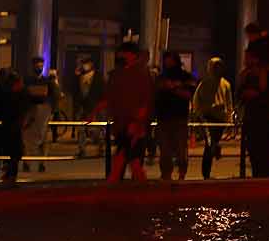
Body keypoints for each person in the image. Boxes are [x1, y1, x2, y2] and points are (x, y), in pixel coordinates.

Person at [93, 41, 153, 183]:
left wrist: (137, 122)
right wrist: (95, 110)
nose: (120, 56)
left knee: (127, 157)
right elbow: (110, 96)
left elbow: (145, 101)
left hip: (133, 124)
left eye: (123, 53)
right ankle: (126, 185)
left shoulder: (140, 75)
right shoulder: (120, 74)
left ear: (132, 55)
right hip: (123, 123)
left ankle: (114, 185)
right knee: (130, 159)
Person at [238, 45, 269, 178]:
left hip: (266, 124)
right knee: (256, 159)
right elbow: (240, 94)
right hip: (253, 123)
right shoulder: (246, 75)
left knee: (266, 160)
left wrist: (256, 94)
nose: (245, 60)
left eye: (248, 57)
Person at [154, 50, 195, 182]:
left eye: (170, 60)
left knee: (180, 149)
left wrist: (173, 88)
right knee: (164, 150)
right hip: (163, 117)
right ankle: (166, 174)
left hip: (179, 118)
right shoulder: (161, 77)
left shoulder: (185, 77)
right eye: (166, 60)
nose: (168, 62)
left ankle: (182, 174)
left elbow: (188, 95)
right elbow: (156, 94)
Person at [191, 57, 233, 179]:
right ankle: (206, 173)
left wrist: (229, 119)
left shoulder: (225, 84)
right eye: (215, 66)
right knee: (209, 144)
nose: (216, 69)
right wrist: (198, 114)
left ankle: (215, 149)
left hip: (220, 119)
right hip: (207, 118)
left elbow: (229, 102)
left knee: (211, 143)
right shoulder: (205, 83)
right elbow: (196, 100)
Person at [0, 68, 29, 183]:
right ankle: (4, 177)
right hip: (7, 127)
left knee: (7, 155)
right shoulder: (5, 91)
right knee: (5, 154)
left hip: (7, 127)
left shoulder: (9, 91)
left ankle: (3, 176)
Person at [20, 57, 57, 174]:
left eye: (41, 66)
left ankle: (42, 163)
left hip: (44, 114)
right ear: (33, 67)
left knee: (44, 140)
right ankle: (27, 163)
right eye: (37, 66)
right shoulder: (26, 81)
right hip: (31, 114)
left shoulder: (48, 82)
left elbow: (54, 97)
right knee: (27, 140)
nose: (39, 68)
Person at [72, 56, 105, 158]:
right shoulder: (79, 76)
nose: (84, 66)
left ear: (91, 64)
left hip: (95, 106)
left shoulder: (98, 76)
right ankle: (82, 149)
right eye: (83, 64)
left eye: (86, 63)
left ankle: (100, 147)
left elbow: (102, 91)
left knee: (95, 130)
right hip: (82, 107)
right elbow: (75, 91)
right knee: (81, 129)